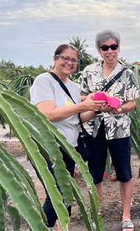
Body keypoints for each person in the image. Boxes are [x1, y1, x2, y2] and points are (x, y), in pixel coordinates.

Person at [30, 44, 105, 231]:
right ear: (55, 58)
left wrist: (95, 110)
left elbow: (75, 119)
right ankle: (42, 227)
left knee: (67, 192)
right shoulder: (44, 81)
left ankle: (64, 228)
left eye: (73, 60)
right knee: (54, 194)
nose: (70, 63)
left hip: (69, 146)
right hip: (49, 147)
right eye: (65, 58)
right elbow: (48, 114)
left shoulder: (72, 86)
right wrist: (82, 105)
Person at [78, 30, 140, 231]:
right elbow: (80, 98)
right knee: (95, 173)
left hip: (119, 129)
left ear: (118, 49)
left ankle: (126, 215)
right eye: (105, 47)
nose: (110, 51)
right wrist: (96, 104)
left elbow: (132, 103)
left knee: (124, 172)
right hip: (94, 128)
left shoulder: (128, 73)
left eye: (113, 46)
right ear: (99, 51)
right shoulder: (89, 71)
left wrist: (120, 108)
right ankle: (96, 213)